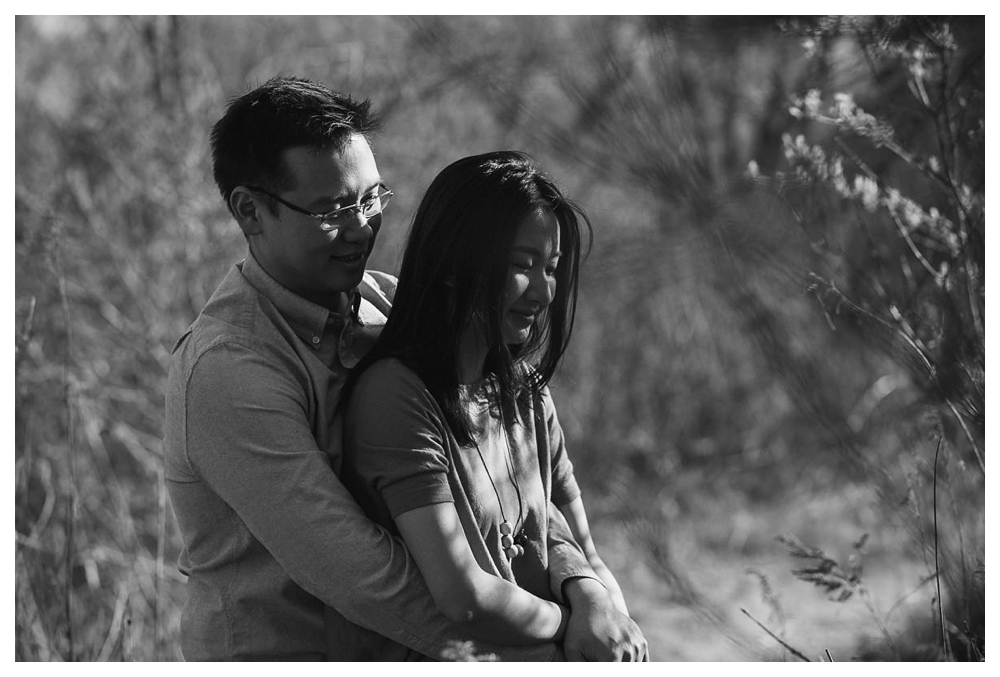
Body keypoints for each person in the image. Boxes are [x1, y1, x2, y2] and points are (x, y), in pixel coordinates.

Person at [163, 76, 646, 661]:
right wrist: (544, 642)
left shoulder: (391, 305)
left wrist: (583, 586)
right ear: (251, 211)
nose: (362, 226)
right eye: (332, 209)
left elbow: (516, 477)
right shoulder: (230, 369)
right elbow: (363, 575)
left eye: (372, 199)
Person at [331, 151, 646, 660]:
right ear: (458, 264)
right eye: (522, 266)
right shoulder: (396, 396)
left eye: (552, 267)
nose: (544, 291)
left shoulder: (526, 392)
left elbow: (582, 547)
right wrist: (574, 626)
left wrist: (601, 607)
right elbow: (466, 597)